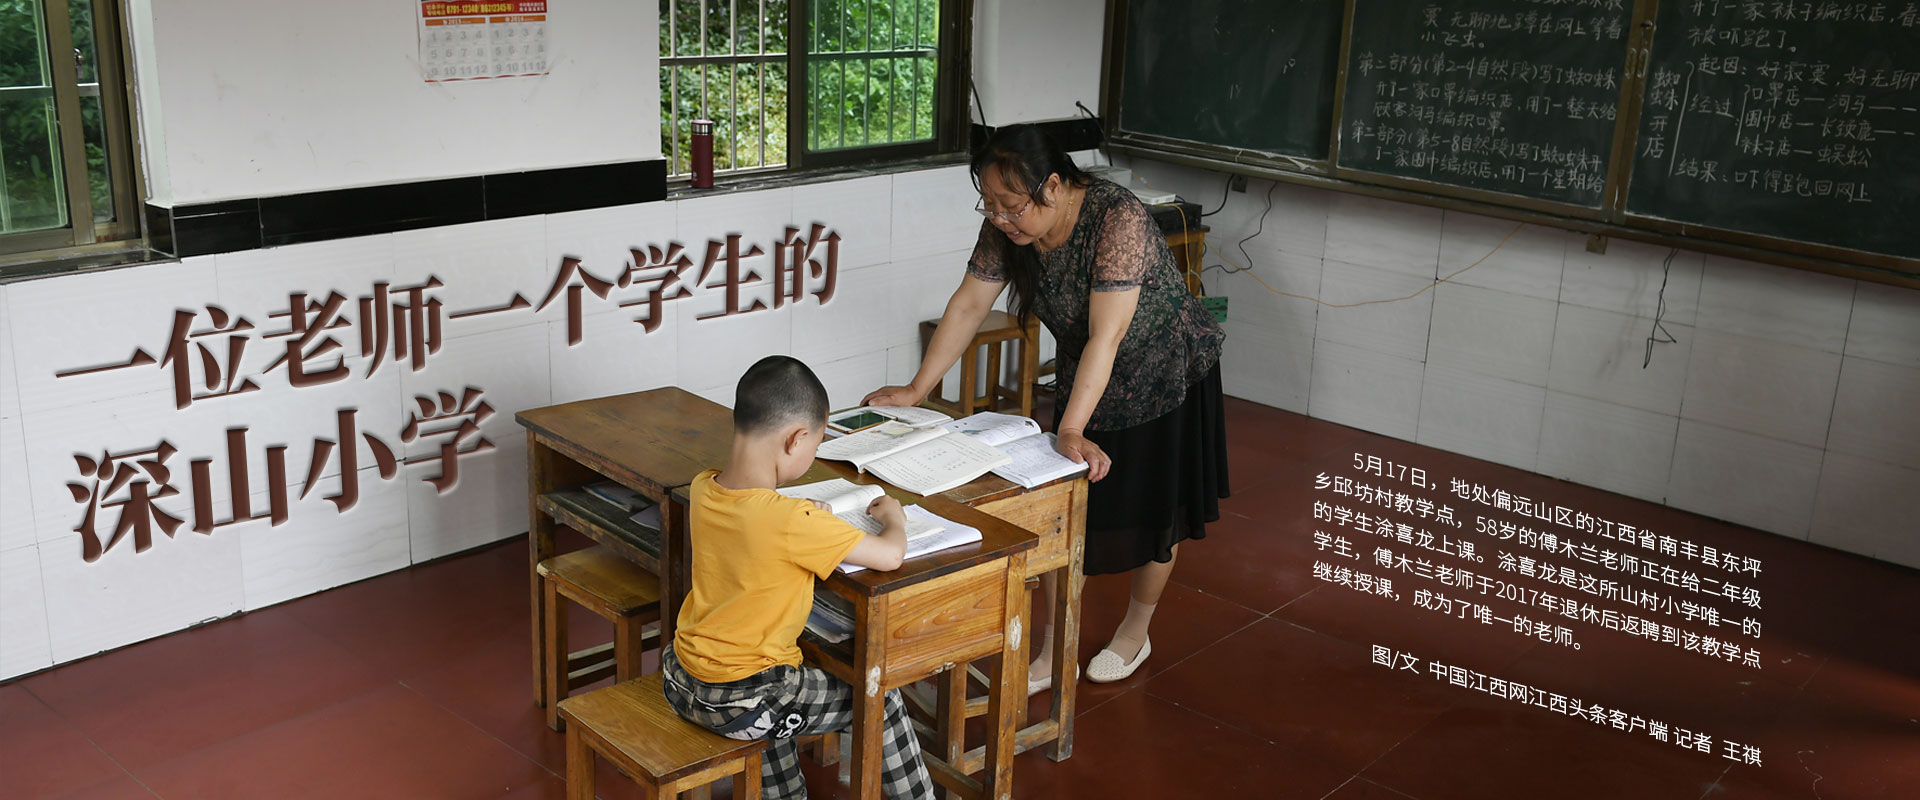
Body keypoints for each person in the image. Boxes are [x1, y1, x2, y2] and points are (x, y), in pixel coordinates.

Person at [864, 124, 1229, 688]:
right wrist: (917, 389)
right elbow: (967, 305)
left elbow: (1107, 337)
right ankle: (1052, 650)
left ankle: (1135, 631)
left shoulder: (1117, 218)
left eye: (1012, 207)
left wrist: (1071, 427)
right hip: (1092, 373)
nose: (1002, 219)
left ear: (1054, 187)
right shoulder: (1009, 229)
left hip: (1165, 373)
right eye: (990, 207)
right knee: (1068, 513)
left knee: (1159, 513)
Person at [661, 355, 934, 800]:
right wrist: (895, 517)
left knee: (783, 690)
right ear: (795, 439)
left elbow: (759, 532)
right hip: (742, 700)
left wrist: (808, 518)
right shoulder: (791, 520)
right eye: (815, 446)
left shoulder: (703, 487)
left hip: (682, 678)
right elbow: (889, 555)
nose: (811, 457)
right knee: (878, 698)